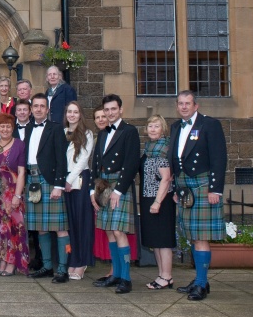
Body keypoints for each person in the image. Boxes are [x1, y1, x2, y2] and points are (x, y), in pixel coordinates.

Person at [169, 90, 227, 301]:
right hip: (185, 187)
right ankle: (200, 279)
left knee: (201, 237)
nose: (183, 107)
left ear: (196, 105)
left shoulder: (209, 125)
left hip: (203, 186)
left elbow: (219, 158)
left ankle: (201, 284)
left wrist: (215, 189)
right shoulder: (176, 127)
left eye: (187, 103)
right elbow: (174, 161)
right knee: (193, 236)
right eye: (180, 103)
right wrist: (176, 189)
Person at [90, 94, 140, 294]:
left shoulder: (129, 131)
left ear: (120, 109)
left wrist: (119, 190)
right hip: (103, 185)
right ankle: (116, 274)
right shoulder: (102, 133)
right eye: (107, 109)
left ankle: (126, 278)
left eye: (113, 109)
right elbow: (95, 163)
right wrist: (93, 191)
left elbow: (132, 163)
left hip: (120, 185)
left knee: (118, 231)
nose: (110, 113)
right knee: (109, 230)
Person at [24, 93, 70, 283]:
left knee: (61, 228)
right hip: (32, 181)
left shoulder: (56, 129)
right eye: (36, 106)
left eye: (42, 106)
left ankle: (63, 269)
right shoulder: (27, 128)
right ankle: (47, 266)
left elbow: (62, 159)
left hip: (50, 181)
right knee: (40, 228)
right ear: (31, 108)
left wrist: (59, 185)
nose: (39, 109)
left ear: (48, 109)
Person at [0, 113, 29, 275]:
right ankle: (2, 262)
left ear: (13, 128)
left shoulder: (19, 145)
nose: (5, 129)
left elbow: (21, 172)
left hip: (12, 194)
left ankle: (11, 263)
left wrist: (17, 196)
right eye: (2, 126)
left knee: (12, 230)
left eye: (8, 126)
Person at [139, 115, 175, 290]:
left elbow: (166, 179)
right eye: (150, 126)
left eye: (156, 126)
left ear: (163, 129)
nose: (152, 129)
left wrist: (157, 202)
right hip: (148, 197)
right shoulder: (149, 148)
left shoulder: (163, 148)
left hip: (160, 199)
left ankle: (167, 276)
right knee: (156, 241)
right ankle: (161, 275)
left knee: (163, 240)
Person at [63, 101, 94, 280]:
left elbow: (83, 160)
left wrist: (68, 180)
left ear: (80, 114)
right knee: (71, 224)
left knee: (82, 223)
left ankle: (82, 262)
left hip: (79, 181)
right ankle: (72, 260)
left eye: (75, 112)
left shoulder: (87, 134)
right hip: (65, 182)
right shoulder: (62, 132)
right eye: (69, 112)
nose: (72, 115)